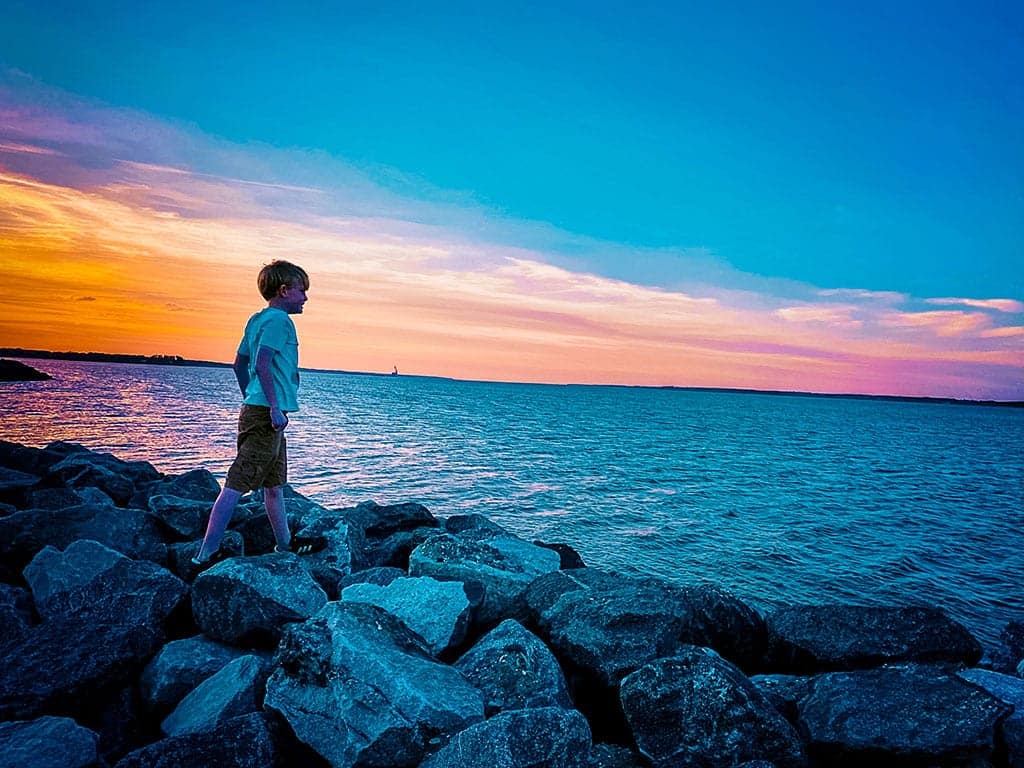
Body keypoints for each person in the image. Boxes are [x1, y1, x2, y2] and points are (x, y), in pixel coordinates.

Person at [192, 260, 323, 566]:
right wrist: (273, 407)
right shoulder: (279, 321)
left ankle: (285, 545)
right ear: (284, 290)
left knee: (274, 486)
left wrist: (251, 398)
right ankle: (205, 554)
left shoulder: (257, 319)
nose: (305, 297)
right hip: (267, 415)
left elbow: (240, 364)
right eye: (302, 290)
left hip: (260, 411)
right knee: (236, 484)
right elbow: (262, 363)